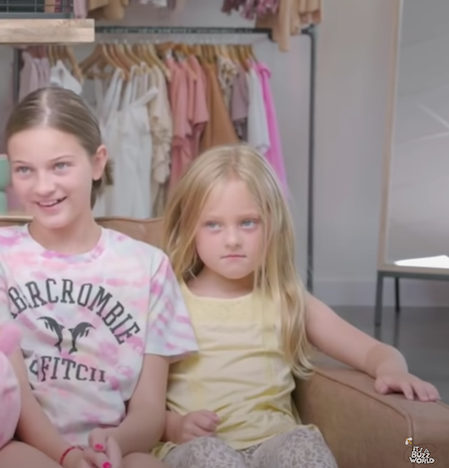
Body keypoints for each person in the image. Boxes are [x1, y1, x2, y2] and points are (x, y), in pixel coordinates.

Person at [155, 145, 440, 468]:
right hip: (196, 448)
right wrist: (173, 426)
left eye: (248, 223)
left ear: (272, 224)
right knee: (208, 455)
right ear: (189, 226)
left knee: (304, 442)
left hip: (274, 443)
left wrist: (392, 369)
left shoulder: (287, 299)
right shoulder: (167, 301)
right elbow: (131, 401)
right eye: (213, 225)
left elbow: (375, 352)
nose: (232, 239)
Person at [0, 87, 200, 468]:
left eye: (60, 166)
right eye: (24, 169)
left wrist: (109, 446)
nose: (42, 186)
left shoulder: (149, 266)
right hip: (22, 444)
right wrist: (65, 455)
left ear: (97, 161)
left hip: (116, 446)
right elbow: (13, 388)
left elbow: (150, 408)